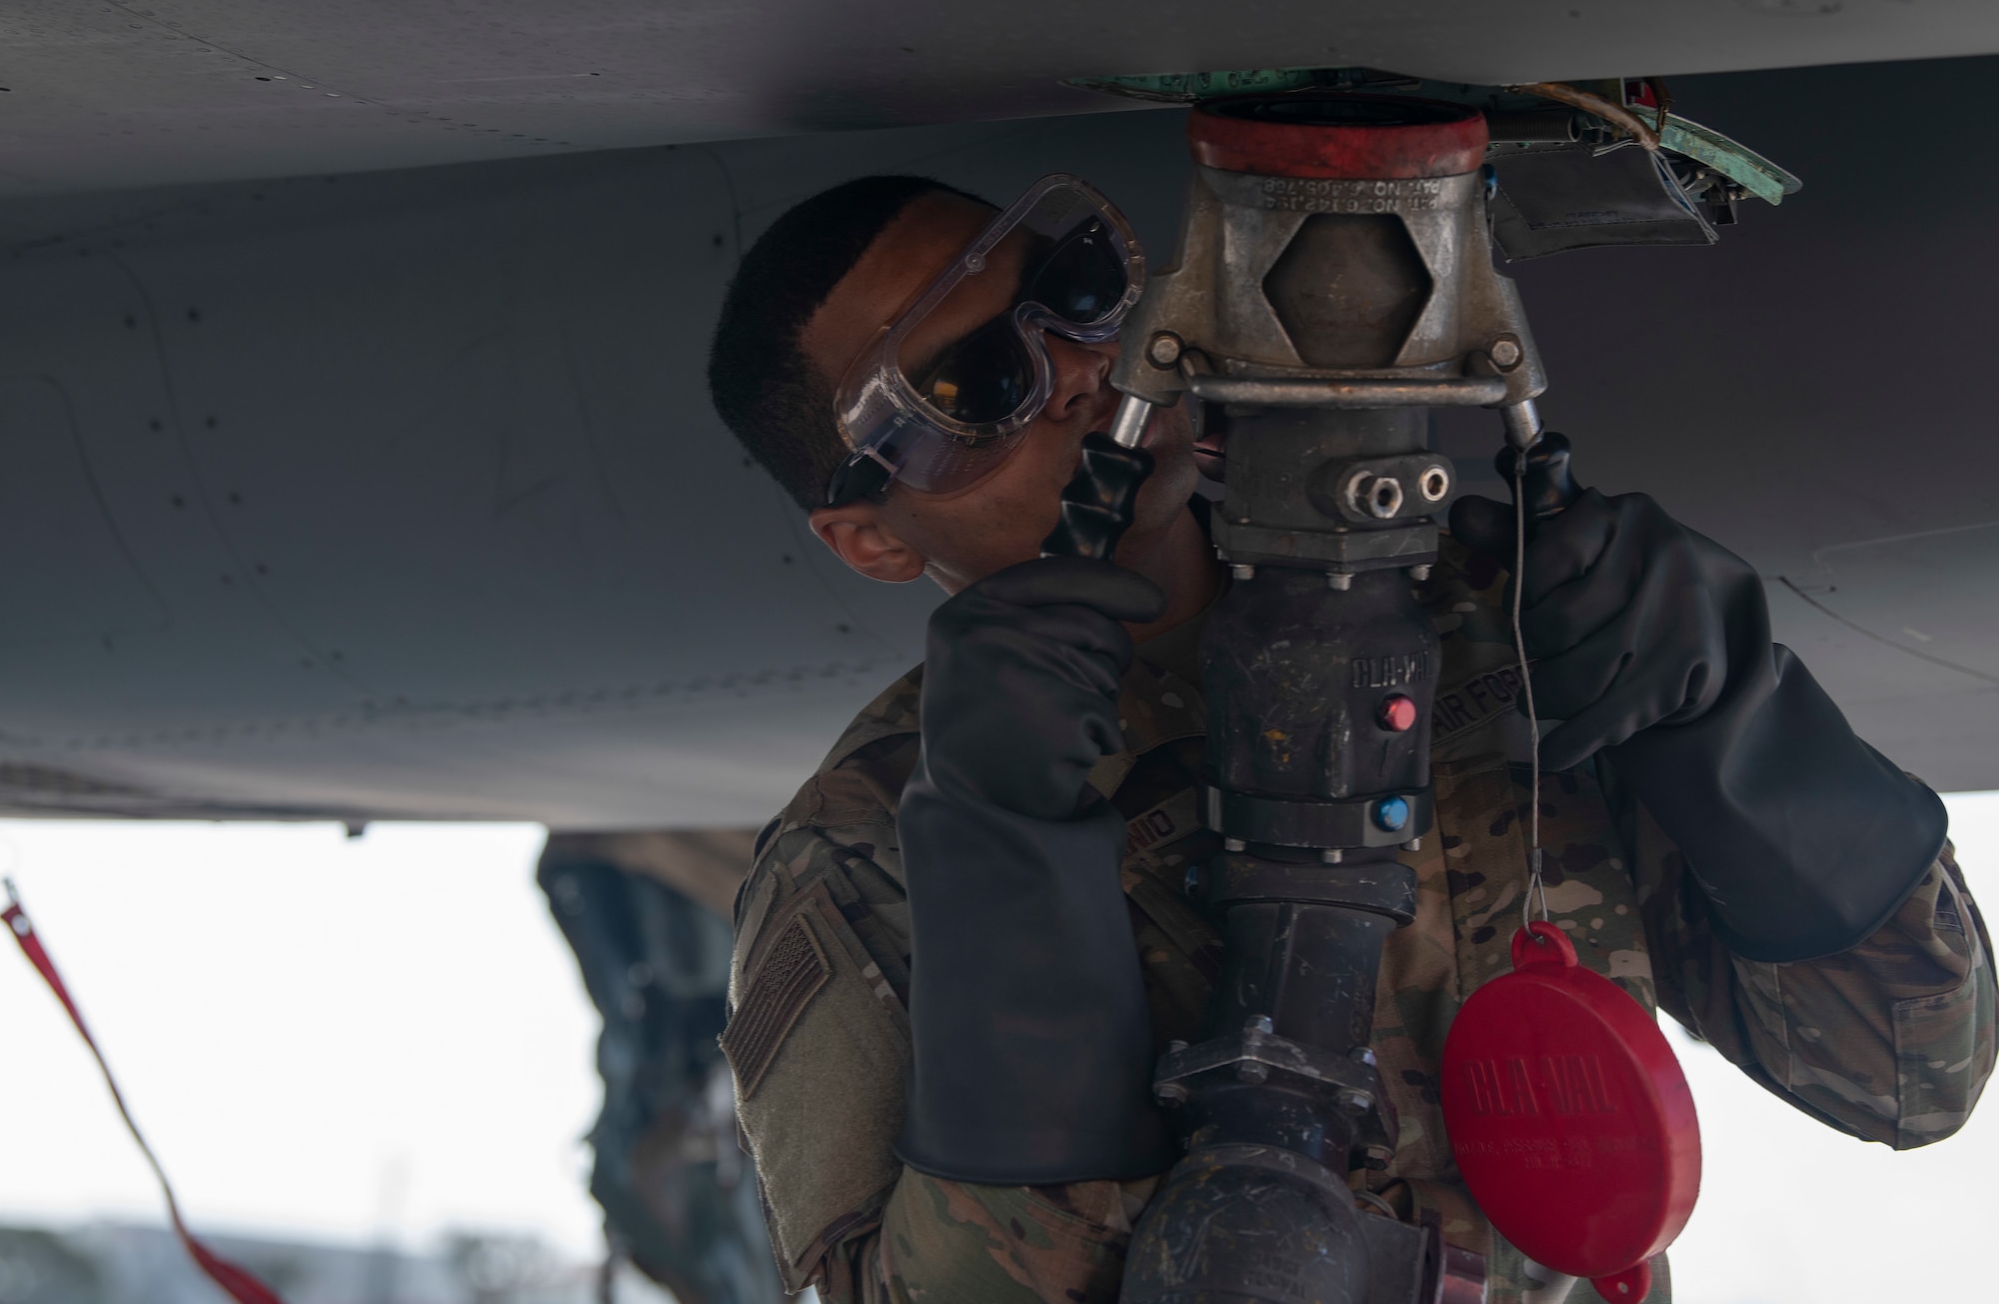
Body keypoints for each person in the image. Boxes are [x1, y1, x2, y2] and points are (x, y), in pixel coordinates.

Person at [704, 174, 1996, 1304]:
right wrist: (1007, 875)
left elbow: (1904, 1071)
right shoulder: (865, 850)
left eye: (1076, 292)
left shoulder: (1503, 624)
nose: (1082, 371)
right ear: (870, 535)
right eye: (977, 383)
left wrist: (1743, 727)